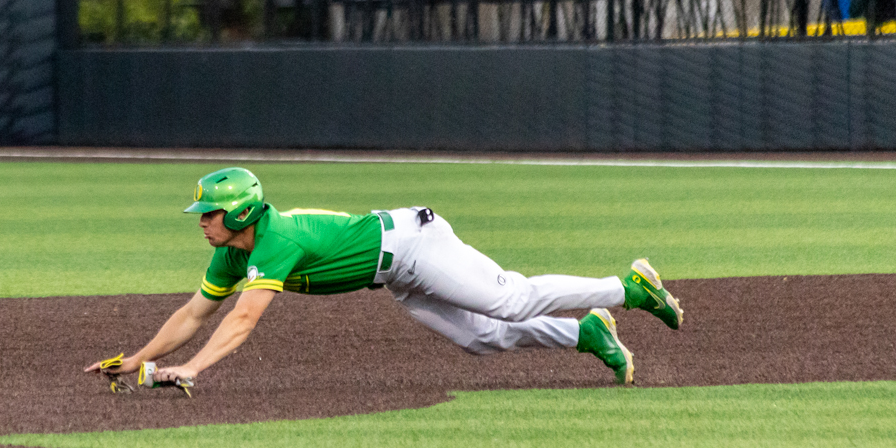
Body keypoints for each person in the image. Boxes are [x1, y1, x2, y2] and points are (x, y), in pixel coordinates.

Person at [86, 167, 683, 389]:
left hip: (414, 244)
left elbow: (243, 319)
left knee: (511, 299)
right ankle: (589, 335)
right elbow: (195, 313)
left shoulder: (276, 238)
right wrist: (138, 360)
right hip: (393, 272)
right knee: (481, 338)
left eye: (209, 213)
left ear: (240, 211)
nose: (202, 223)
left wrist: (191, 369)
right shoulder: (231, 255)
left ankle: (629, 287)